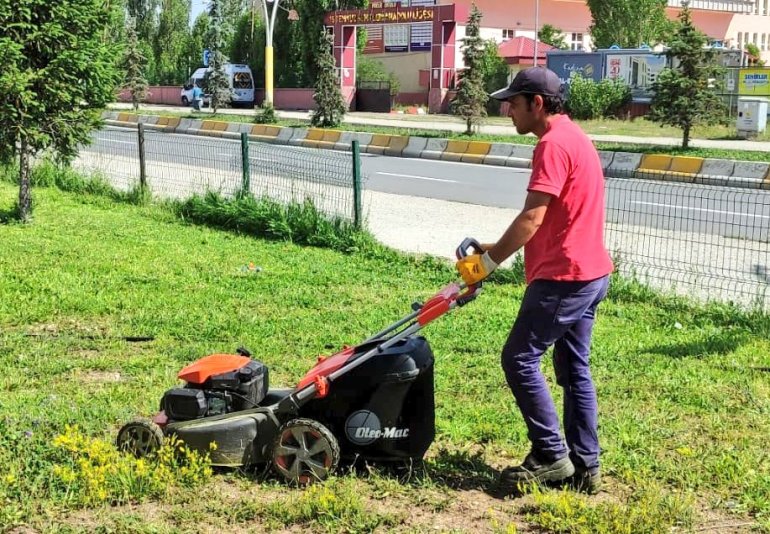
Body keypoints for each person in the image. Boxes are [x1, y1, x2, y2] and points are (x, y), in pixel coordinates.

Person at [455, 67, 614, 495]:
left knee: (519, 358)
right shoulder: (575, 137)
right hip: (591, 273)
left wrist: (486, 264)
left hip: (564, 279)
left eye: (513, 102)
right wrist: (494, 246)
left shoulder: (552, 145)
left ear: (536, 104)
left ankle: (550, 455)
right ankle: (586, 467)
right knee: (573, 369)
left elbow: (532, 217)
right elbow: (554, 218)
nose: (507, 110)